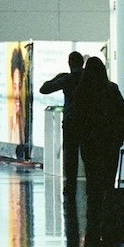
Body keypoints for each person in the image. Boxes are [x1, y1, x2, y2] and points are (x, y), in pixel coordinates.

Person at [74, 56, 124, 247]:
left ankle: (93, 223)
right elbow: (123, 117)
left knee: (93, 184)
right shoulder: (111, 90)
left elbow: (76, 120)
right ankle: (108, 221)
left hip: (90, 146)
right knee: (108, 183)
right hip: (109, 146)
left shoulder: (82, 92)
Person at [40, 51, 85, 198]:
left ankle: (70, 186)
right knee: (89, 156)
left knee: (70, 156)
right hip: (88, 123)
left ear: (69, 63)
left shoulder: (68, 79)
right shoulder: (89, 78)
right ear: (82, 63)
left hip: (71, 122)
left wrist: (59, 77)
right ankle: (92, 187)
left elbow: (44, 89)